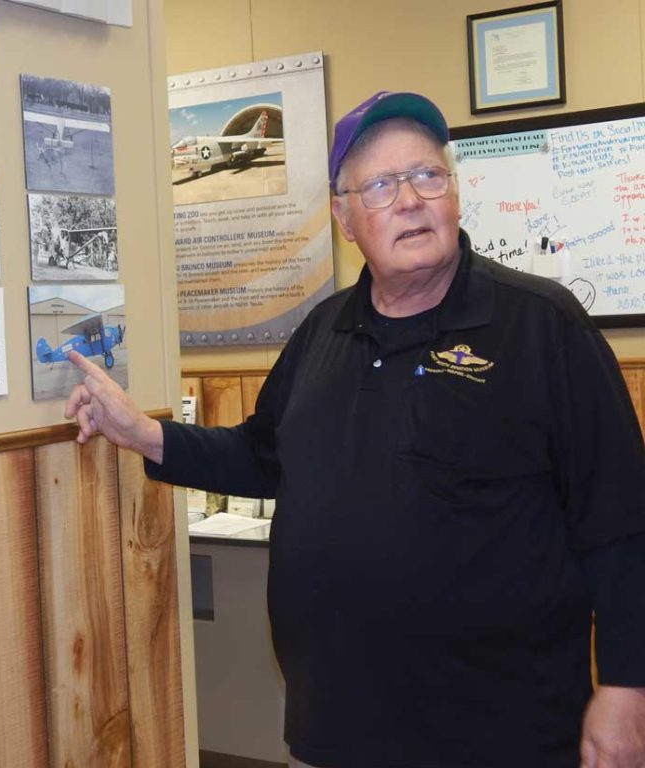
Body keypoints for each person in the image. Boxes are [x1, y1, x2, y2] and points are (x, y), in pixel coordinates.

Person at [64, 91, 645, 768]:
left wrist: (628, 689)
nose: (409, 199)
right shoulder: (323, 333)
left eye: (427, 175)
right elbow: (262, 457)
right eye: (379, 185)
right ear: (344, 217)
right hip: (334, 729)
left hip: (501, 733)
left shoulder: (543, 325)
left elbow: (620, 524)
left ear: (454, 193)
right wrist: (142, 433)